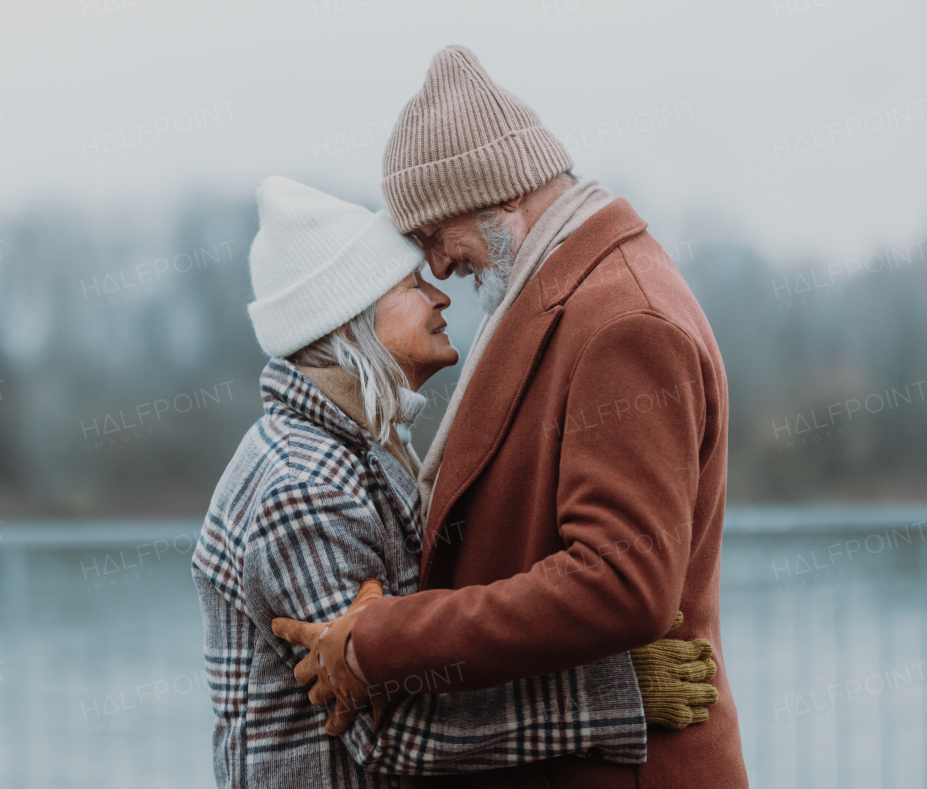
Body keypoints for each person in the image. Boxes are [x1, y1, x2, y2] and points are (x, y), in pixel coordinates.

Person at [273, 46, 749, 788]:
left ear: (492, 193)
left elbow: (622, 580)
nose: (435, 266)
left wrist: (385, 639)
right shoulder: (558, 296)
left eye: (434, 232)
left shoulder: (623, 319)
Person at [191, 175, 718, 788]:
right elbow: (389, 727)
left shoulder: (351, 453)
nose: (440, 296)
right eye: (410, 286)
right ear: (346, 327)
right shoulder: (302, 488)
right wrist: (611, 697)